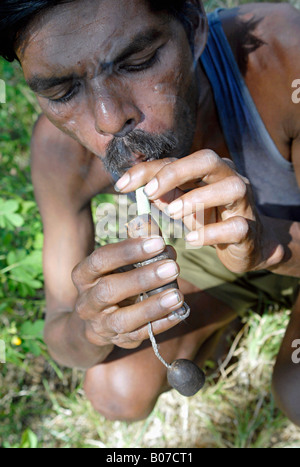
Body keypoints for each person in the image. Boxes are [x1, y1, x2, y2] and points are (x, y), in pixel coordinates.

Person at [1, 0, 300, 424]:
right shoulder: (60, 154)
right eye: (62, 92)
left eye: (137, 62)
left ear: (194, 26)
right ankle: (239, 311)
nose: (109, 119)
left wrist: (267, 246)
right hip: (214, 252)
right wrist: (94, 327)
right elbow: (59, 332)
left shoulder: (282, 55)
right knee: (115, 393)